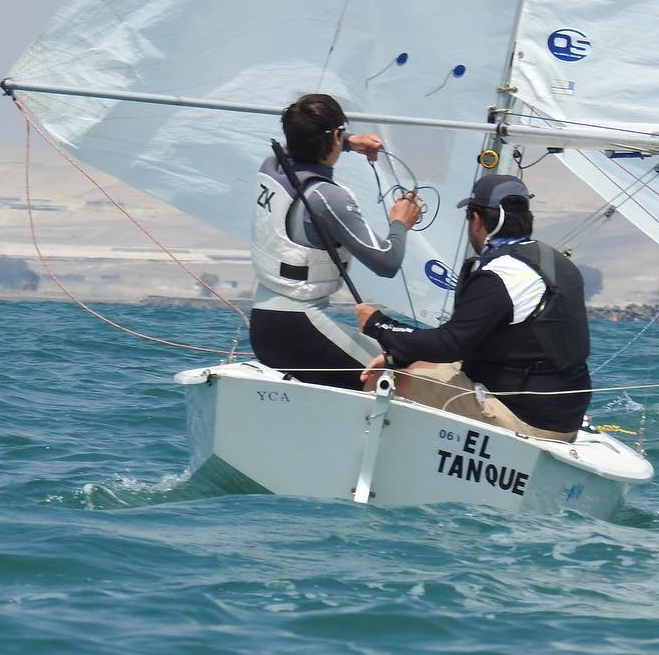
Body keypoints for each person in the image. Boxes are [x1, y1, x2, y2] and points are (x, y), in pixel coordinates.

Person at [354, 174, 591, 442]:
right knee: (417, 364)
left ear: (476, 220)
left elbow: (449, 344)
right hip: (563, 417)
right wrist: (397, 354)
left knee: (384, 381)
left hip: (528, 421)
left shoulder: (502, 274)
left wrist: (378, 325)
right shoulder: (558, 264)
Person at [249, 93, 422, 390]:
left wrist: (348, 141)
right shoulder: (328, 197)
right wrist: (400, 223)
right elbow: (387, 262)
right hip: (299, 328)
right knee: (402, 374)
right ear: (335, 137)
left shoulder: (271, 167)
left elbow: (296, 146)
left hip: (265, 323)